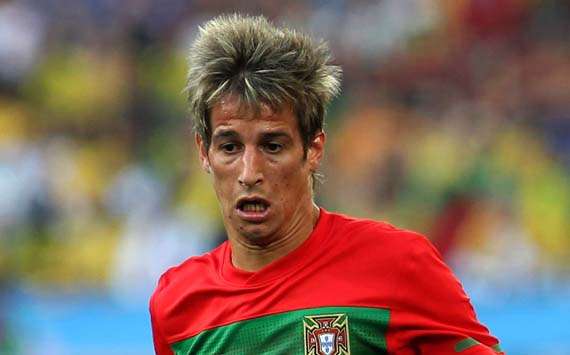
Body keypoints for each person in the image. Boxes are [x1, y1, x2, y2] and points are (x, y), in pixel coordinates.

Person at [150, 14, 504, 355]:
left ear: (313, 149)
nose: (249, 172)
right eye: (230, 147)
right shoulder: (177, 303)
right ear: (203, 152)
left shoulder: (399, 265)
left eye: (273, 146)